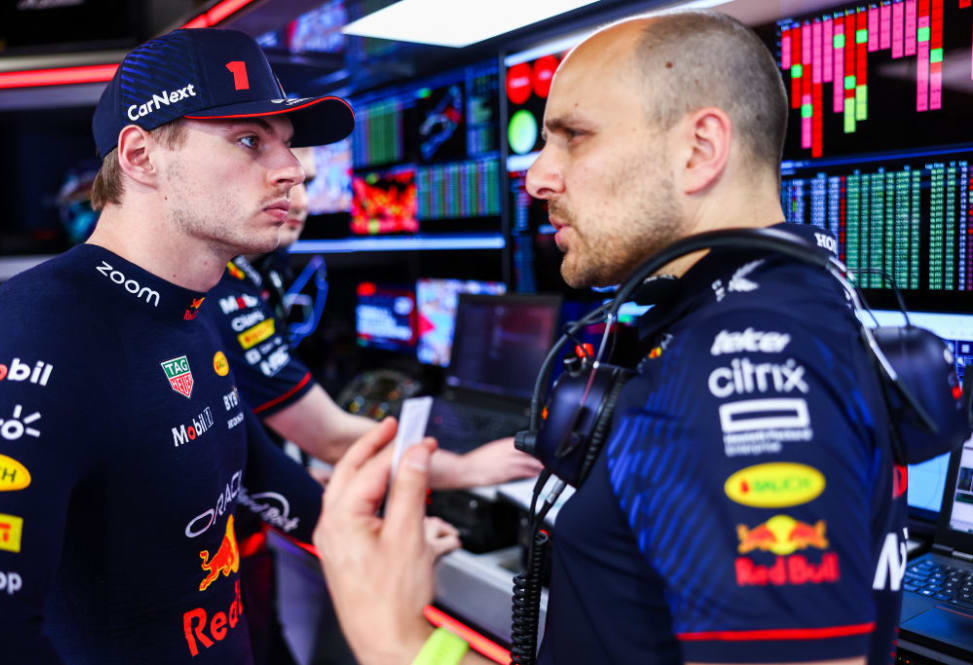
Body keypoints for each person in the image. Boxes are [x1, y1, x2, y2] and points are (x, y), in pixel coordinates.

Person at [312, 10, 908, 665]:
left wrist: (399, 643)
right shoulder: (789, 309)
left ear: (699, 149)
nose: (537, 176)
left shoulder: (737, 363)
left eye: (574, 136)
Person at [0, 27, 362, 664]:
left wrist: (376, 536)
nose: (292, 170)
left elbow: (251, 472)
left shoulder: (200, 304)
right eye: (248, 139)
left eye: (285, 144)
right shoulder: (38, 326)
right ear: (140, 155)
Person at [206, 146, 538, 664]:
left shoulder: (240, 281)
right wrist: (465, 468)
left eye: (307, 183)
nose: (298, 202)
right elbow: (331, 435)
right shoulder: (226, 294)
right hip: (223, 560)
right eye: (280, 182)